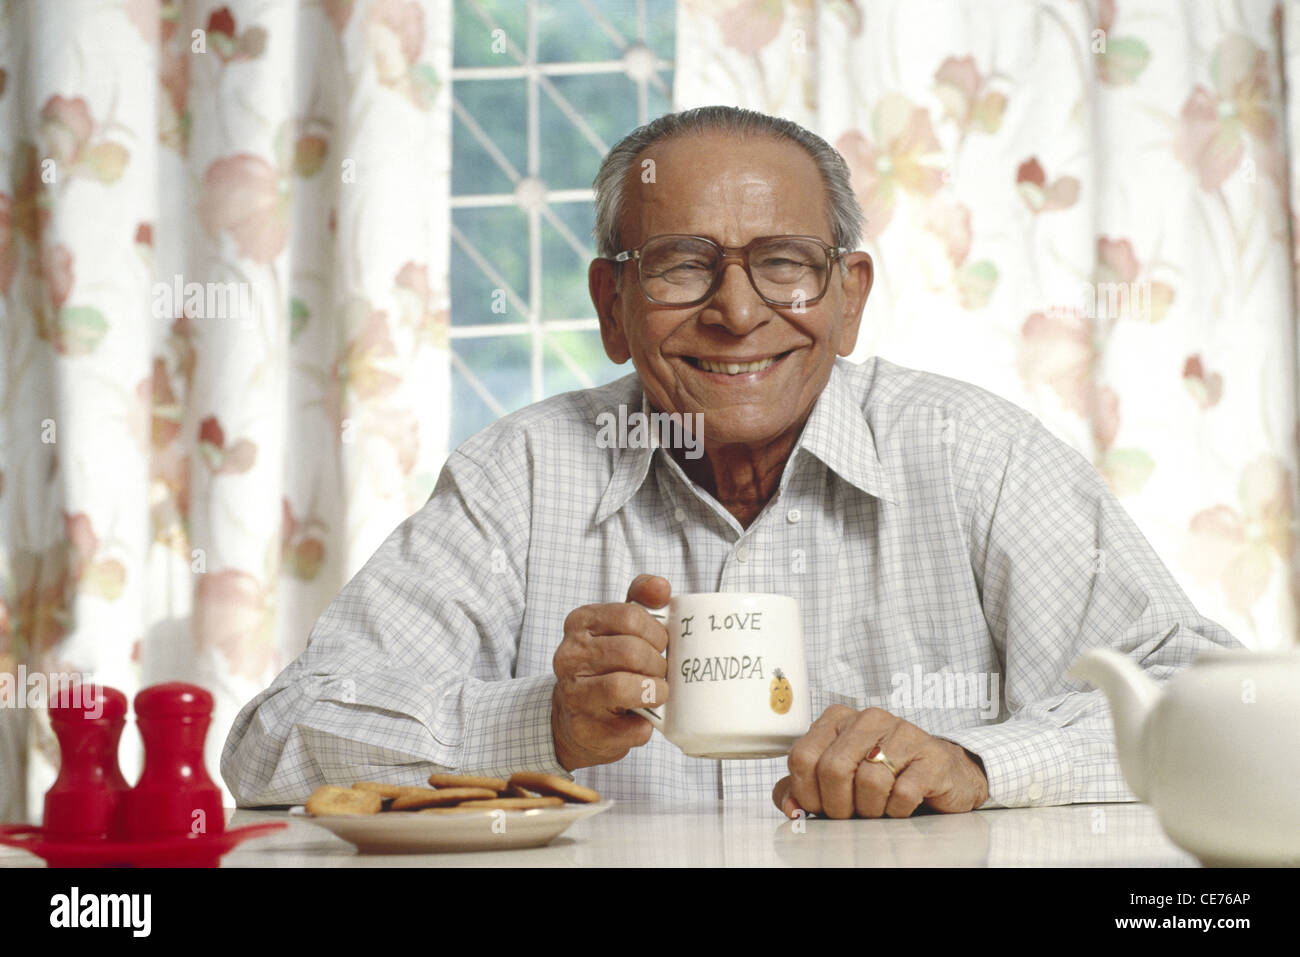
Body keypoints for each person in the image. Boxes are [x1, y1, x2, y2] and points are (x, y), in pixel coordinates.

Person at [221, 106, 1240, 819]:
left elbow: (1204, 703)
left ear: (848, 297)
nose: (738, 310)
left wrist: (978, 762)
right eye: (680, 266)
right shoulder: (519, 476)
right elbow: (273, 746)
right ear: (611, 307)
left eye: (783, 264)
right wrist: (540, 721)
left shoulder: (977, 454)